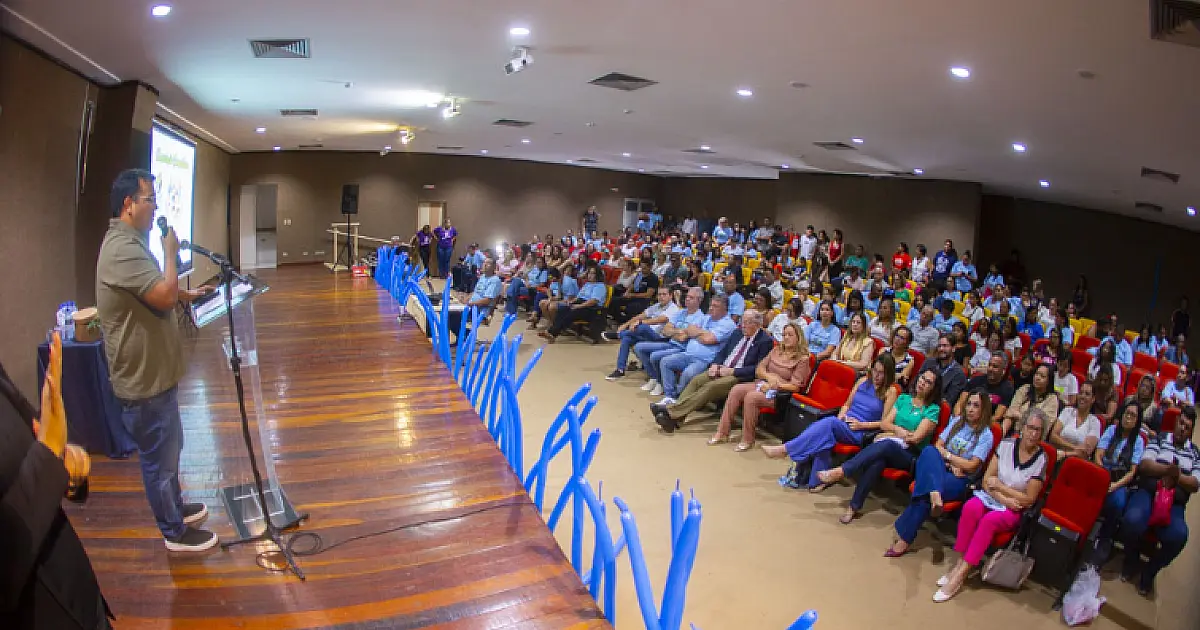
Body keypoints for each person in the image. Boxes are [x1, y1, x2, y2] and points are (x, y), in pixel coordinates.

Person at [96, 169, 217, 552]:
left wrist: (185, 293)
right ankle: (174, 533)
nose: (155, 208)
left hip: (157, 377)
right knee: (159, 461)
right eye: (150, 200)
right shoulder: (121, 247)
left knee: (171, 447)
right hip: (143, 381)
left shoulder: (130, 241)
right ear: (128, 205)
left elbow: (153, 290)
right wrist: (169, 252)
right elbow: (161, 296)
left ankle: (176, 507)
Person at [933, 408, 1048, 603]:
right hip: (994, 497)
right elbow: (987, 480)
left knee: (989, 521)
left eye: (1038, 430)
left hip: (1014, 509)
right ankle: (959, 562)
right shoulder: (1006, 445)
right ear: (1023, 427)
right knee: (971, 508)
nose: (1033, 434)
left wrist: (1001, 488)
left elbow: (1028, 499)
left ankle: (961, 573)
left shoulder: (1041, 459)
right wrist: (1002, 496)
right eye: (1030, 428)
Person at [818, 369, 943, 524]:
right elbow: (885, 423)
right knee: (877, 462)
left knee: (886, 445)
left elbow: (915, 438)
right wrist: (897, 430)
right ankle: (853, 507)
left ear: (934, 389)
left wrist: (890, 434)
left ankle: (843, 470)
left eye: (928, 382)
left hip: (910, 455)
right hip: (890, 445)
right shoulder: (904, 399)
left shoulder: (932, 410)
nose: (922, 382)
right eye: (922, 378)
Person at [886, 390, 997, 557]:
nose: (971, 409)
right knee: (929, 450)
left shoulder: (986, 435)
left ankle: (905, 538)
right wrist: (949, 461)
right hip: (941, 467)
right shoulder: (958, 421)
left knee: (925, 489)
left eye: (976, 406)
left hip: (960, 480)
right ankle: (935, 494)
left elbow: (972, 465)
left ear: (984, 410)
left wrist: (948, 457)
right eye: (969, 404)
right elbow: (938, 445)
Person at [763, 354, 898, 489]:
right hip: (844, 423)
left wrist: (861, 425)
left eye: (881, 373)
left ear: (889, 374)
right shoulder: (863, 381)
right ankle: (817, 481)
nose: (877, 375)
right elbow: (847, 405)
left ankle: (785, 449)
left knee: (828, 424)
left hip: (861, 431)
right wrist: (841, 417)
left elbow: (883, 423)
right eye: (875, 370)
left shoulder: (891, 391)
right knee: (826, 435)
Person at [1116, 406, 1198, 596]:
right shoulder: (1160, 438)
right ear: (1176, 422)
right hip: (1148, 492)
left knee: (1179, 536)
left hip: (1174, 503)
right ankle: (1131, 560)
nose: (1182, 429)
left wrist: (1173, 476)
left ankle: (1149, 572)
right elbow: (1145, 465)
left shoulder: (1194, 453)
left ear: (1191, 431)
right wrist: (1171, 471)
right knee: (1132, 520)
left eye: (1187, 427)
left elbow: (1194, 483)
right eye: (1180, 423)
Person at [653, 309, 778, 433]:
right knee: (697, 380)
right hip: (721, 369)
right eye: (742, 321)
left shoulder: (764, 341)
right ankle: (675, 419)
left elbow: (757, 368)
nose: (743, 325)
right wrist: (715, 365)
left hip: (739, 376)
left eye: (747, 322)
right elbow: (722, 352)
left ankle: (670, 412)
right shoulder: (737, 333)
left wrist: (732, 371)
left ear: (757, 324)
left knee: (710, 387)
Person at [705, 321, 809, 450]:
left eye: (790, 335)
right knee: (736, 389)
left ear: (798, 337)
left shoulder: (802, 359)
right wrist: (769, 377)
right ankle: (722, 432)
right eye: (784, 335)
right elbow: (759, 368)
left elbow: (795, 387)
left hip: (779, 394)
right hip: (762, 383)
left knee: (751, 397)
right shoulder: (776, 350)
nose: (786, 338)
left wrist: (775, 385)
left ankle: (748, 440)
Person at [652, 296, 737, 405]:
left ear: (725, 308)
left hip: (704, 360)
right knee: (665, 361)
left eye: (715, 306)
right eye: (711, 305)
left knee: (688, 373)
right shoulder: (706, 317)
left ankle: (678, 399)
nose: (711, 308)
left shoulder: (728, 324)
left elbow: (708, 339)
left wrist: (697, 333)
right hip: (688, 354)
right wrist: (703, 333)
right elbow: (689, 329)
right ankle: (670, 396)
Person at [1092, 399, 1147, 551]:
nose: (1128, 417)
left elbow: (1132, 471)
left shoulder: (1138, 441)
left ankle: (1105, 538)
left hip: (1120, 479)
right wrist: (1103, 477)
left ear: (1137, 421)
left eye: (1132, 415)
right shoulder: (1111, 430)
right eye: (1126, 413)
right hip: (1103, 471)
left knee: (1118, 503)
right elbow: (1098, 454)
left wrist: (1114, 485)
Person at [634, 287, 708, 396]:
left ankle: (660, 383)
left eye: (691, 297)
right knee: (639, 347)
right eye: (687, 296)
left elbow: (684, 338)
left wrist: (673, 332)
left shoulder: (700, 317)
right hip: (670, 343)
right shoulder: (681, 312)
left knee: (655, 356)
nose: (687, 299)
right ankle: (654, 377)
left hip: (681, 347)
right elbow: (665, 330)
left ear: (699, 300)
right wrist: (678, 332)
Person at [604, 287, 681, 380]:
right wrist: (625, 325)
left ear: (670, 296)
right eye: (659, 294)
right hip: (647, 335)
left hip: (660, 337)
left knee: (642, 327)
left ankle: (618, 335)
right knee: (626, 339)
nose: (661, 297)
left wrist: (641, 322)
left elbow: (661, 319)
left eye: (664, 294)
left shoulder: (673, 308)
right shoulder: (657, 306)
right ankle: (620, 370)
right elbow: (641, 316)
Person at [539, 266, 607, 344]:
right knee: (562, 309)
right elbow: (578, 297)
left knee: (571, 312)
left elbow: (593, 301)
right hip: (580, 303)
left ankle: (551, 333)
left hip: (591, 308)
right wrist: (571, 302)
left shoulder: (600, 286)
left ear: (597, 275)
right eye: (589, 273)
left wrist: (579, 306)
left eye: (593, 273)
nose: (590, 275)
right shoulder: (587, 284)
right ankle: (552, 332)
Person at [1001, 363, 1060, 438]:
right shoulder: (1024, 389)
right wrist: (1002, 434)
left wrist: (1019, 415)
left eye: (1042, 376)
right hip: (1014, 433)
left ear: (1049, 381)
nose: (1037, 378)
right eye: (1037, 374)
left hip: (1034, 437)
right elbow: (1010, 413)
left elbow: (1042, 426)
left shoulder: (1052, 399)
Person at [1050, 380, 1102, 462]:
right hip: (1056, 455)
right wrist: (1074, 447)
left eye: (1087, 394)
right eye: (1081, 393)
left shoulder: (1095, 422)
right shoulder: (1067, 411)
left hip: (1076, 462)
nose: (1082, 396)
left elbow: (1086, 452)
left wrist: (1065, 454)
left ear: (1093, 399)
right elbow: (1053, 437)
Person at [917, 335, 968, 406]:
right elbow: (915, 383)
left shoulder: (959, 374)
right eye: (939, 346)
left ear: (953, 348)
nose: (941, 349)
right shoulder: (929, 362)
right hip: (917, 400)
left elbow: (949, 401)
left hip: (935, 407)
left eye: (945, 346)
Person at [608, 259, 659, 324]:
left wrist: (632, 295)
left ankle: (627, 323)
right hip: (633, 296)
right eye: (642, 268)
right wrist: (627, 292)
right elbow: (632, 284)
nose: (642, 270)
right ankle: (618, 320)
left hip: (643, 300)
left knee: (631, 307)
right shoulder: (639, 274)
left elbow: (648, 294)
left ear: (650, 267)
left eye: (645, 268)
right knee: (614, 300)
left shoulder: (653, 278)